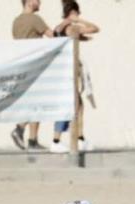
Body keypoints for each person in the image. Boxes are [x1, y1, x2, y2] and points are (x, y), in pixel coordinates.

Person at [50, 1, 99, 153]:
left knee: (76, 105)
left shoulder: (64, 27)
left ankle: (78, 138)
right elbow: (96, 28)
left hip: (66, 69)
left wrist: (80, 36)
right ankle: (61, 140)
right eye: (78, 12)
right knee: (74, 105)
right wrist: (78, 21)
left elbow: (59, 33)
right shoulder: (71, 27)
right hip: (69, 70)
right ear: (73, 13)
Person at [10, 0, 51, 151]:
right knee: (38, 102)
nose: (40, 2)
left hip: (22, 67)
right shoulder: (35, 19)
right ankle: (20, 129)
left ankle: (33, 140)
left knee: (34, 102)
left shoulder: (16, 22)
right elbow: (53, 36)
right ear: (29, 2)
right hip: (36, 66)